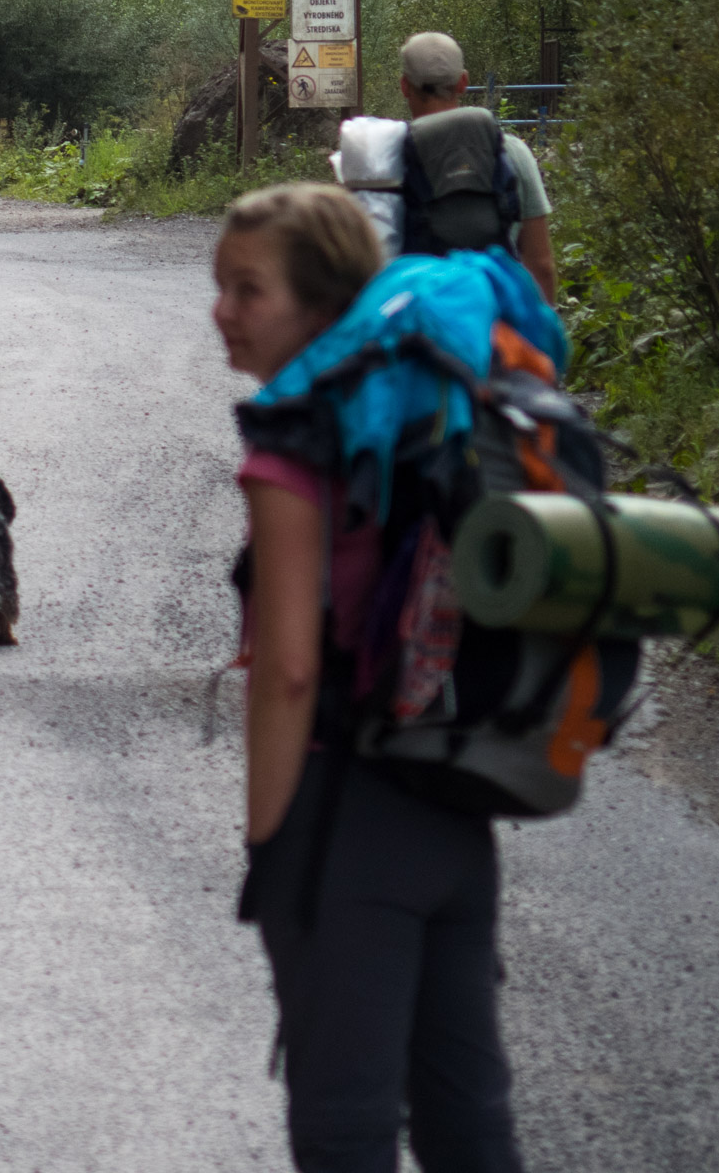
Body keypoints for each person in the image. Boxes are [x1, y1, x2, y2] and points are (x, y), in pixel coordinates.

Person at [214, 183, 528, 1173]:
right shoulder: (436, 413)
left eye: (248, 290)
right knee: (466, 1120)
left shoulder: (292, 449)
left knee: (344, 1129)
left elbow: (290, 670)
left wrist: (270, 846)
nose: (221, 310)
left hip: (341, 828)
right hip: (451, 811)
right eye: (219, 286)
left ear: (319, 307)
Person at [399, 31, 556, 302]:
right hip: (501, 326)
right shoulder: (513, 152)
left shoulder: (391, 157)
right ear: (463, 82)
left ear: (404, 86)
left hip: (425, 326)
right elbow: (540, 264)